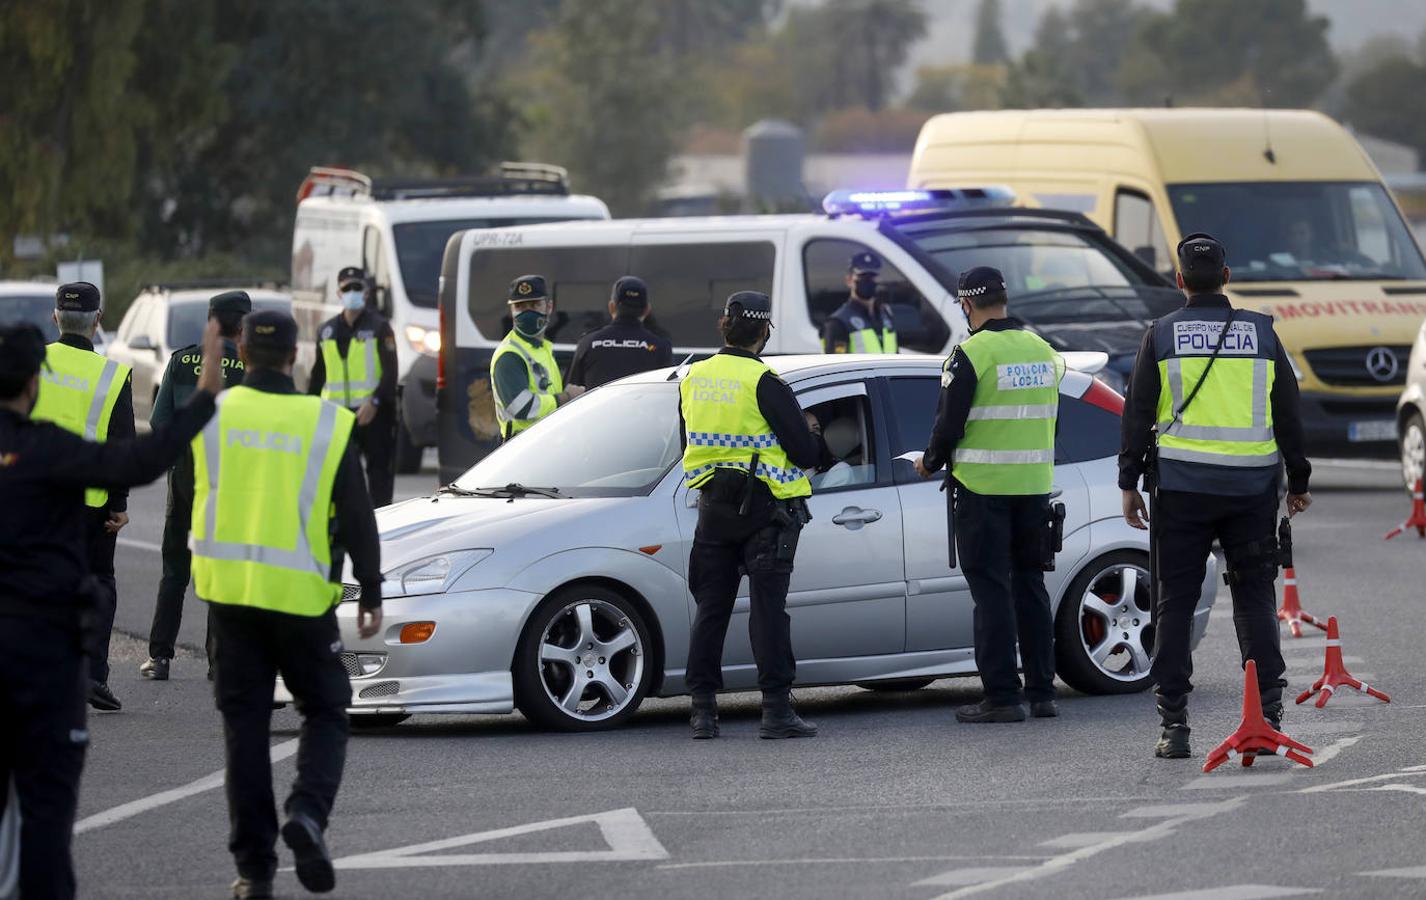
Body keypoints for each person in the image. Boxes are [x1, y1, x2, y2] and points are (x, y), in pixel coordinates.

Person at [0, 319, 224, 900]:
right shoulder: (49, 450)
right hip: (46, 660)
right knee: (48, 818)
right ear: (33, 382)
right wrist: (203, 399)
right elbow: (142, 459)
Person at [196, 310, 383, 898]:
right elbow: (357, 513)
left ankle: (254, 871)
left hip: (229, 598)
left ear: (243, 353)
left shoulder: (213, 415)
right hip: (302, 599)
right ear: (298, 356)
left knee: (245, 731)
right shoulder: (326, 421)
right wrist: (372, 589)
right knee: (327, 708)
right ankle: (305, 813)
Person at [1119, 232, 1312, 760]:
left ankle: (1174, 725)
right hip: (1251, 490)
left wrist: (1127, 483)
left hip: (1181, 492)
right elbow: (1288, 412)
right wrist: (1298, 481)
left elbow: (1137, 413)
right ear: (1227, 277)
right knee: (1255, 598)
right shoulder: (1263, 332)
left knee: (1174, 602)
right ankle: (1266, 713)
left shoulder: (1160, 334)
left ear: (1179, 281)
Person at [680, 290, 830, 740]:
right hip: (766, 513)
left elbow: (686, 436)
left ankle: (703, 711)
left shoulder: (692, 377)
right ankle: (776, 711)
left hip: (712, 509)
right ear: (765, 331)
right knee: (768, 613)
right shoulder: (763, 381)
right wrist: (812, 430)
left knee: (711, 611)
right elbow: (803, 452)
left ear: (724, 325)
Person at [915, 267, 1062, 724]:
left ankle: (1001, 696)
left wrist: (929, 461)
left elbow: (949, 425)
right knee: (1032, 587)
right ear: (1004, 298)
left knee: (993, 594)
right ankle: (1041, 693)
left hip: (983, 490)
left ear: (966, 305)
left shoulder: (969, 354)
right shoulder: (1044, 350)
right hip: (1035, 488)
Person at [30, 281, 135, 712]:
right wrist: (119, 505)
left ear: (55, 317)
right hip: (88, 506)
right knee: (98, 585)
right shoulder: (112, 376)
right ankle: (92, 675)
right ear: (98, 321)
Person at [140, 290, 251, 682]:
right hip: (228, 482)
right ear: (241, 325)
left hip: (184, 478)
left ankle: (159, 657)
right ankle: (217, 662)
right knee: (220, 568)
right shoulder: (246, 364)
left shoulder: (181, 359)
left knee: (174, 569)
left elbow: (159, 421)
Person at [308, 266, 398, 507]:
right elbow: (318, 376)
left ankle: (383, 522)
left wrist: (376, 401)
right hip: (337, 415)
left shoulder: (380, 328)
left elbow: (391, 373)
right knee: (339, 476)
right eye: (347, 288)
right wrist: (309, 410)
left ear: (366, 292)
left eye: (357, 287)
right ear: (338, 293)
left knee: (379, 474)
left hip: (372, 413)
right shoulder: (326, 330)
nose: (352, 292)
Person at [490, 274, 584, 440]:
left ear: (549, 306)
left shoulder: (543, 349)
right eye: (520, 306)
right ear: (511, 311)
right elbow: (520, 407)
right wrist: (565, 397)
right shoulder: (509, 355)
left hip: (543, 442)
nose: (527, 312)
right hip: (521, 445)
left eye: (534, 305)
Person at [566, 276, 674, 389]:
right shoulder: (660, 347)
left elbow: (571, 393)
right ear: (647, 309)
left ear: (611, 307)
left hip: (601, 407)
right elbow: (669, 392)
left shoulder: (588, 343)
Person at [821, 251, 898, 354]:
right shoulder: (838, 323)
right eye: (862, 277)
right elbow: (837, 367)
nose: (868, 281)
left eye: (872, 276)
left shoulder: (885, 315)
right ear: (849, 280)